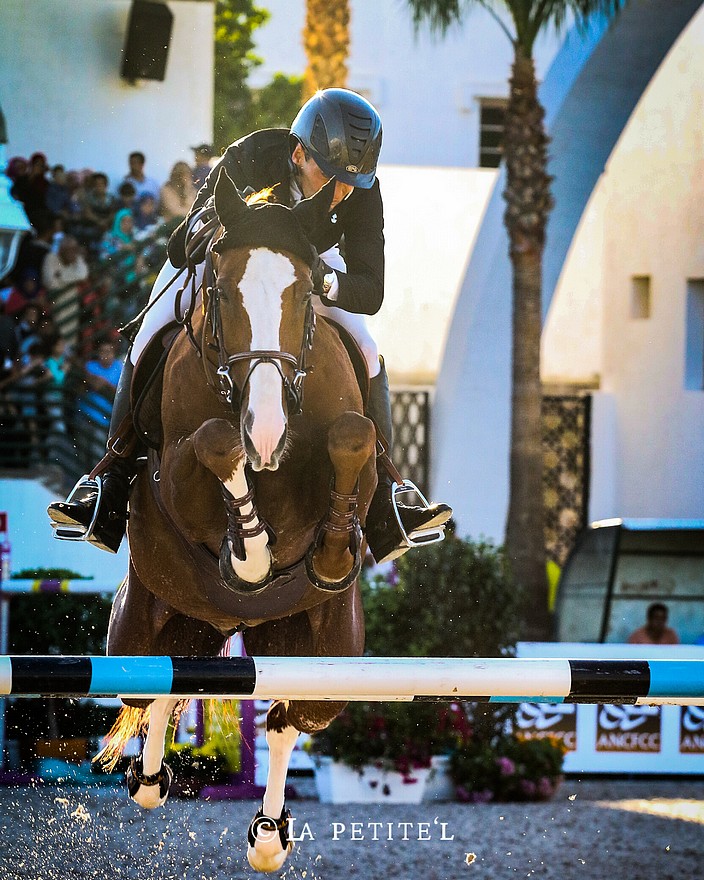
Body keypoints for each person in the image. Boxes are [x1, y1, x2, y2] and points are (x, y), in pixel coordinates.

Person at [48, 89, 452, 560]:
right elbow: (181, 246)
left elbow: (371, 289)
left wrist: (318, 280)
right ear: (299, 153)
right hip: (231, 259)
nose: (342, 193)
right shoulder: (252, 155)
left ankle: (387, 495)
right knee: (149, 332)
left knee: (365, 347)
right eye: (332, 177)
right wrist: (215, 230)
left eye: (352, 184)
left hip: (307, 270)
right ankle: (109, 480)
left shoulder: (361, 189)